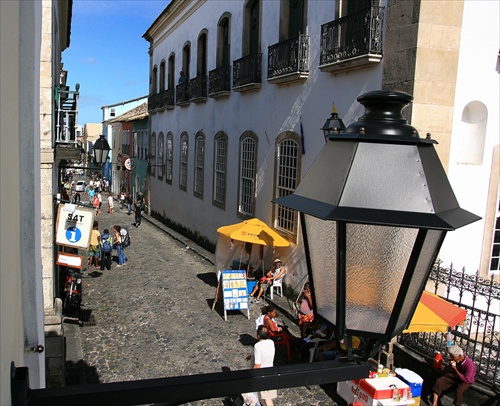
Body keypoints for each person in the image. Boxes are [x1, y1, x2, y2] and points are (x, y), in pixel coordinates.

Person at [248, 325, 276, 406]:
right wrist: (252, 355)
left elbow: (257, 364)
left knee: (267, 399)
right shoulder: (271, 342)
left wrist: (251, 375)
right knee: (268, 397)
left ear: (258, 336)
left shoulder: (257, 346)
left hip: (262, 374)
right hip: (270, 371)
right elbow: (265, 352)